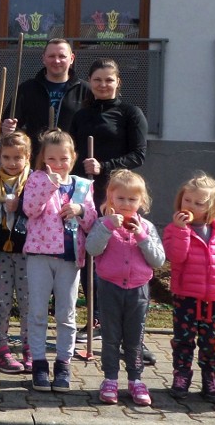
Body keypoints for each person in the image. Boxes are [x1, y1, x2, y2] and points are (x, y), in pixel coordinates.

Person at [69, 58, 148, 350]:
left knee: (118, 253)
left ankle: (118, 319)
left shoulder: (130, 113)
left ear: (118, 83)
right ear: (90, 81)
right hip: (87, 194)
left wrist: (105, 165)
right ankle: (95, 317)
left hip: (117, 195)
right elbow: (71, 153)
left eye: (109, 80)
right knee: (91, 254)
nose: (103, 85)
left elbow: (138, 155)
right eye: (98, 79)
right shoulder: (82, 115)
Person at [163, 172, 215, 404]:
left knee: (211, 342)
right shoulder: (174, 229)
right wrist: (181, 231)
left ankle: (211, 379)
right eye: (187, 200)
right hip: (186, 297)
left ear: (210, 207)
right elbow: (175, 256)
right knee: (183, 340)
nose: (190, 206)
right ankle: (181, 376)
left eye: (198, 203)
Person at [22, 129, 97, 392]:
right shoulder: (36, 179)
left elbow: (91, 222)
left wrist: (80, 209)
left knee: (66, 314)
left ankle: (63, 363)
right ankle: (39, 363)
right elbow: (30, 210)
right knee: (39, 311)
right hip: (40, 256)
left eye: (63, 159)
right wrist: (48, 185)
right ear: (43, 159)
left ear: (73, 158)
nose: (58, 164)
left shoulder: (83, 185)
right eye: (51, 159)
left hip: (69, 258)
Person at [85, 170, 165, 406]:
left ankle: (136, 379)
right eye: (120, 199)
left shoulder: (147, 227)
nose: (126, 204)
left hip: (138, 290)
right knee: (110, 337)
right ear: (111, 198)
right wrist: (108, 227)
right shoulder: (103, 223)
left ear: (141, 202)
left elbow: (158, 260)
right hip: (109, 288)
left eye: (132, 200)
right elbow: (92, 249)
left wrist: (140, 235)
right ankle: (110, 378)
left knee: (134, 337)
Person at [0, 131, 32, 374]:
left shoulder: (35, 182)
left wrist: (20, 206)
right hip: (0, 251)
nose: (11, 163)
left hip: (28, 252)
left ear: (28, 157)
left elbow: (42, 212)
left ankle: (31, 347)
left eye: (17, 158)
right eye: (6, 157)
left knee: (29, 301)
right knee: (0, 300)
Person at [1, 38, 90, 151]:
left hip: (70, 162)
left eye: (62, 56)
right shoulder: (27, 89)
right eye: (51, 56)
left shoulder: (86, 90)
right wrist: (6, 129)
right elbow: (9, 125)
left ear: (71, 58)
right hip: (35, 161)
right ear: (43, 59)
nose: (57, 61)